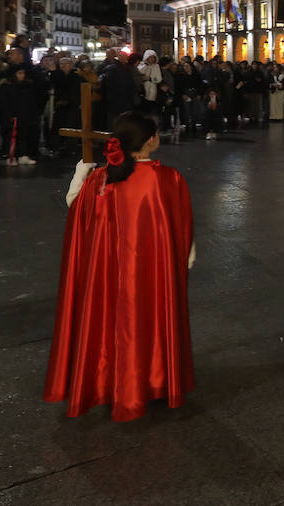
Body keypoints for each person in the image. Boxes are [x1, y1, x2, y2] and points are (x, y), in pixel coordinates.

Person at [45, 113, 195, 421]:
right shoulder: (167, 179)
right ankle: (150, 380)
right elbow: (181, 226)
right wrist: (183, 258)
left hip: (107, 271)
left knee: (107, 323)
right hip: (150, 273)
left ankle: (105, 380)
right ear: (151, 140)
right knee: (147, 322)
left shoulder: (101, 179)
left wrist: (81, 172)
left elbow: (75, 206)